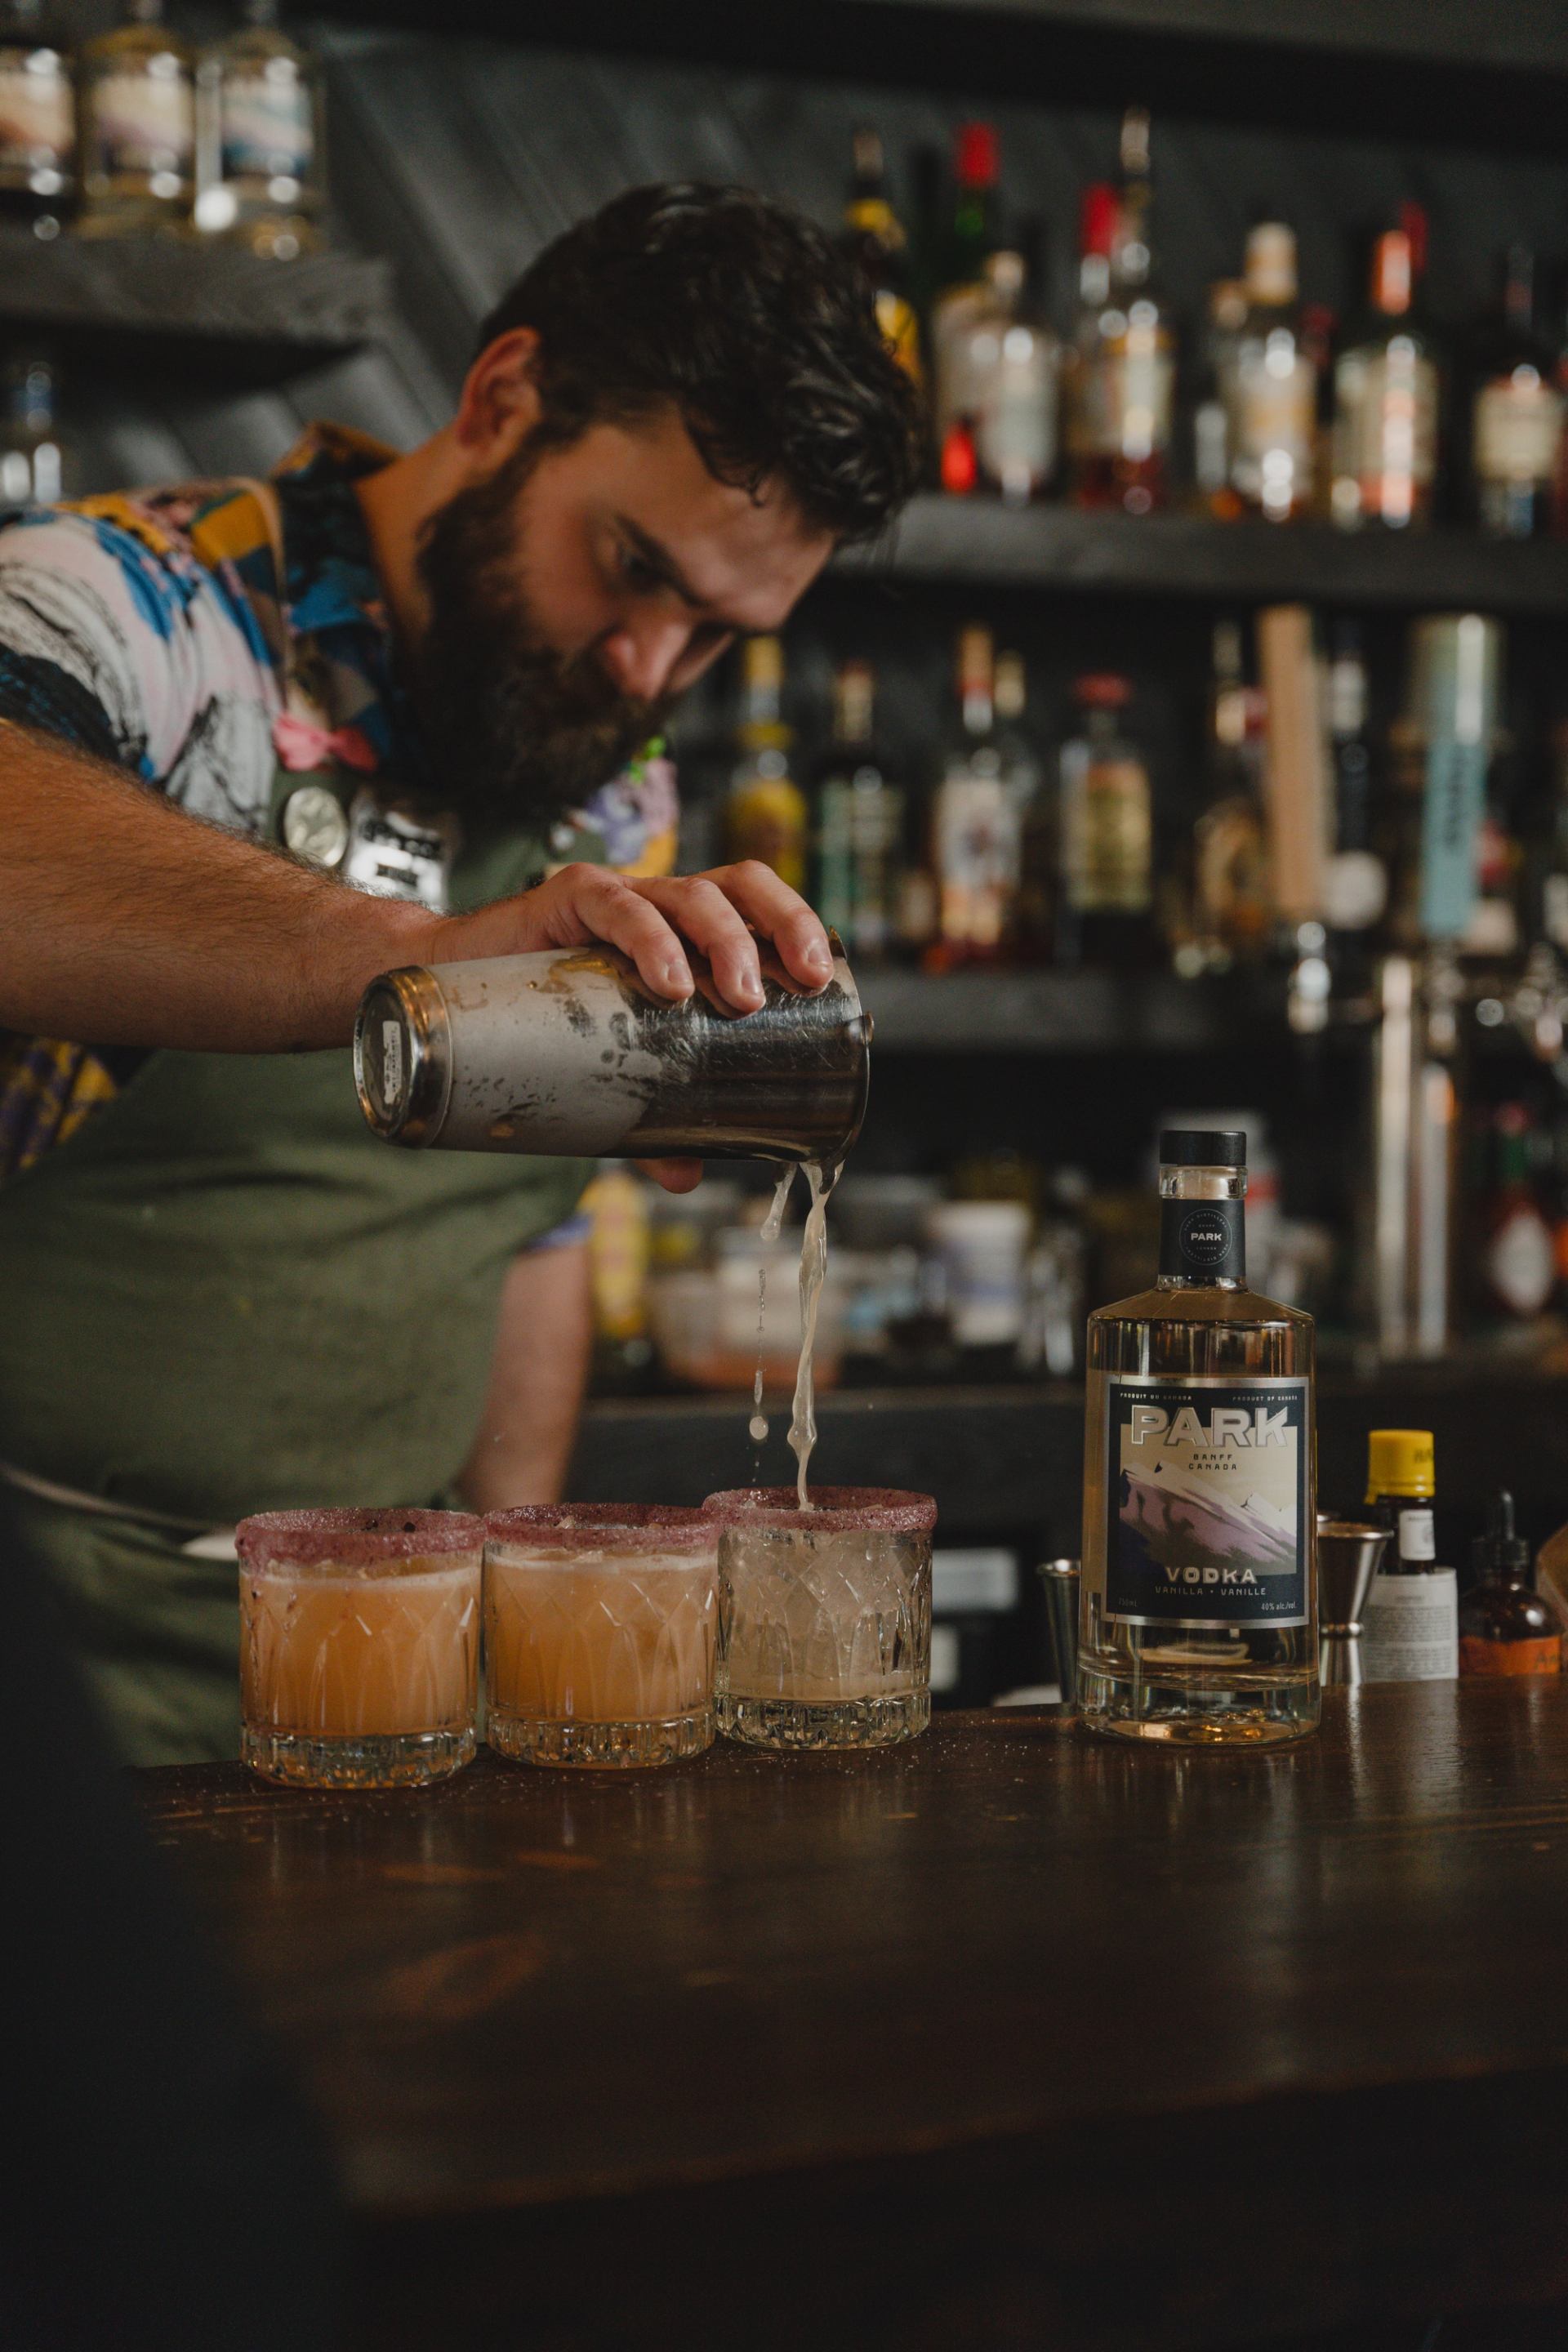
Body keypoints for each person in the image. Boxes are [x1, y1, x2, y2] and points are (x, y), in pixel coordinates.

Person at [0, 181, 922, 1764]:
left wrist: (525, 1623)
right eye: (630, 567)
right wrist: (424, 965)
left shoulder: (612, 788)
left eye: (714, 636)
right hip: (52, 1689)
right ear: (504, 399)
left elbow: (528, 1230)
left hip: (388, 1689)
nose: (647, 673)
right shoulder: (144, 609)